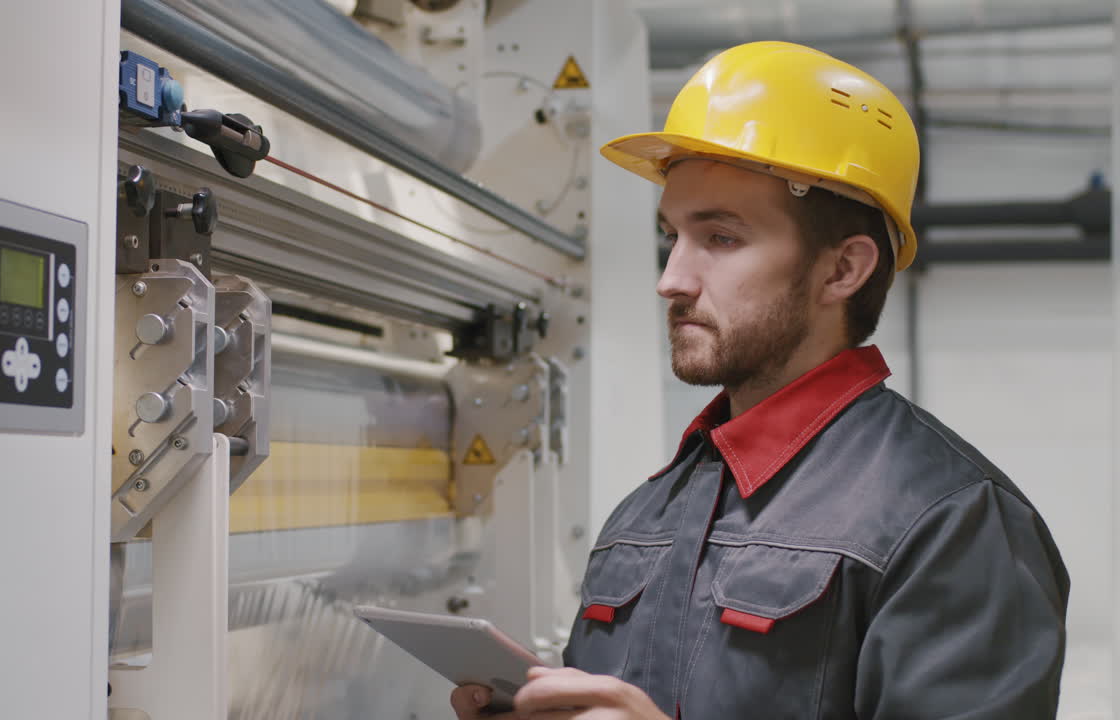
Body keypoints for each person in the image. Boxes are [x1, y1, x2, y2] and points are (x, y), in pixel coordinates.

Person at [451, 41, 1069, 719]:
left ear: (842, 270)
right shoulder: (646, 516)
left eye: (720, 239)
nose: (672, 280)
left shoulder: (954, 521)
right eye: (672, 237)